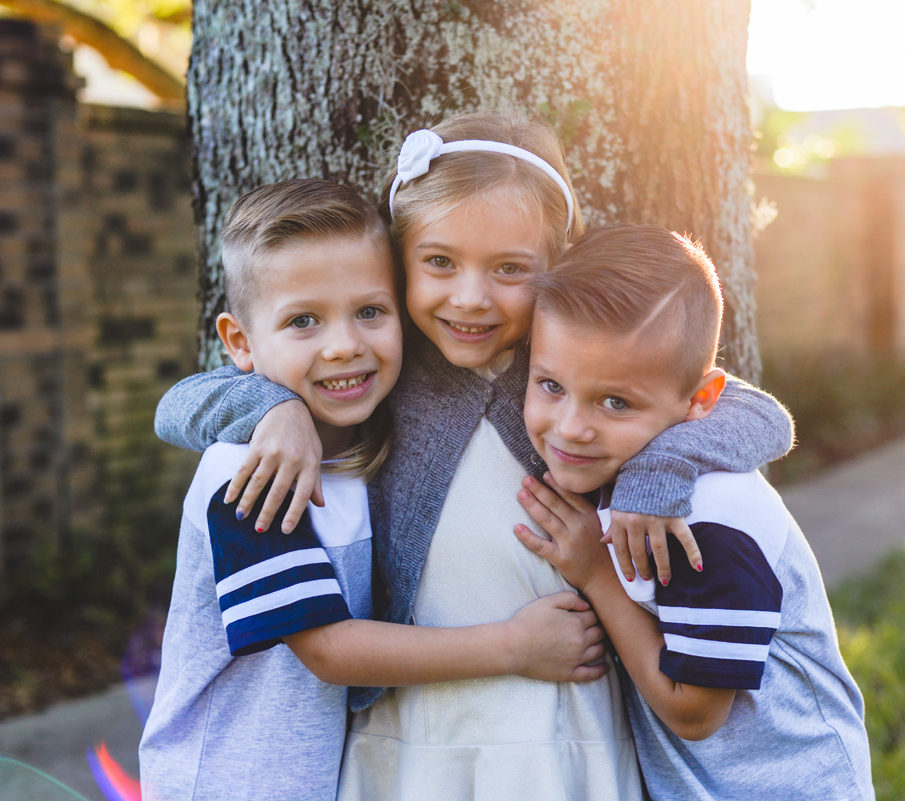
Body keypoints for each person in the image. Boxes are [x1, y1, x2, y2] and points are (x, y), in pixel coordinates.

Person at [153, 112, 795, 800]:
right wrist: (270, 410)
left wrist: (655, 473)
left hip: (565, 727)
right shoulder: (380, 373)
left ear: (555, 268)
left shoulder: (567, 377)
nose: (470, 298)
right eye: (438, 262)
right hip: (412, 736)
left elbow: (755, 415)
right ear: (401, 264)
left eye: (511, 269)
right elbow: (182, 403)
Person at [138, 179, 610, 801]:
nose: (344, 346)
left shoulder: (363, 446)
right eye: (303, 321)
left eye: (369, 312)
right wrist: (514, 647)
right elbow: (330, 650)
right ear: (239, 344)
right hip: (228, 781)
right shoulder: (249, 475)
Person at [514, 223, 875, 801]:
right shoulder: (627, 464)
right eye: (550, 384)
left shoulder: (707, 522)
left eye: (615, 402)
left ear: (701, 401)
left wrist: (594, 573)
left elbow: (695, 714)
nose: (572, 427)